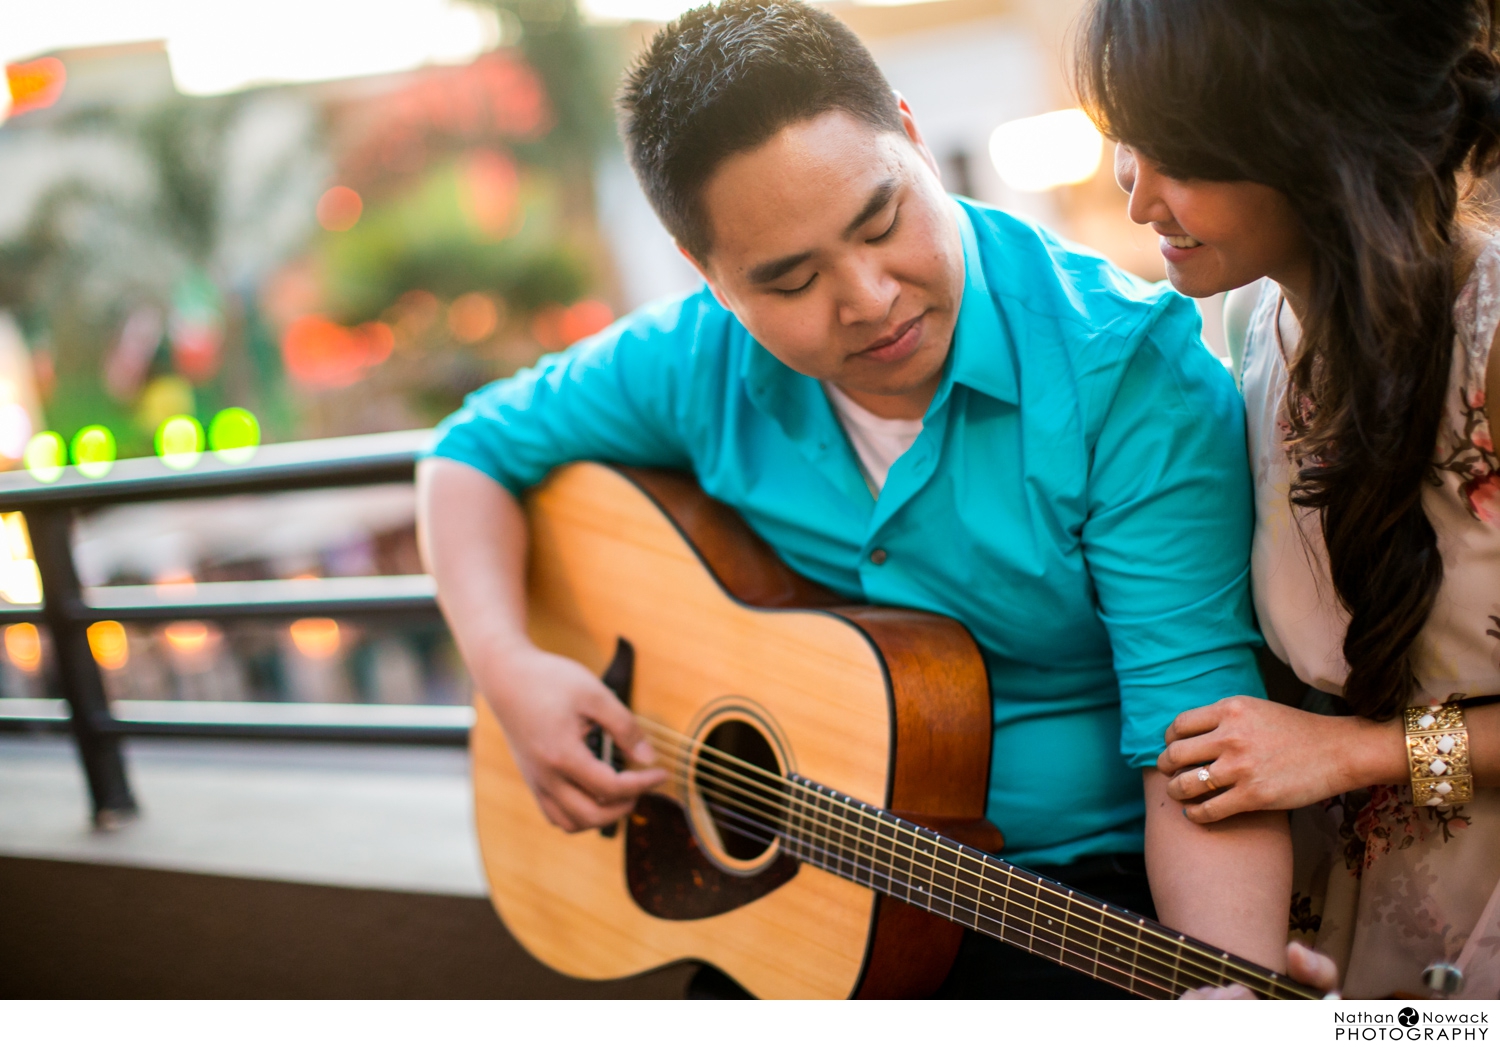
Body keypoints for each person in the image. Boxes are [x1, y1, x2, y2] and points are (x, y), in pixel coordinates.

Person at [419, 0, 1286, 997]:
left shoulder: (1133, 377)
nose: (870, 298)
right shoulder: (695, 359)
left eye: (882, 221)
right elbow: (468, 454)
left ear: (913, 139)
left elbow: (1204, 755)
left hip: (1069, 902)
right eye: (790, 280)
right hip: (799, 890)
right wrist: (510, 668)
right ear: (709, 278)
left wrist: (1236, 994)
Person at [1078, 0, 1500, 998]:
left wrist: (1359, 755)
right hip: (1346, 924)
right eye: (1124, 145)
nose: (1139, 201)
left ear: (1319, 141)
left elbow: (1336, 747)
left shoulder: (1489, 347)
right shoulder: (1251, 328)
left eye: (1180, 157)